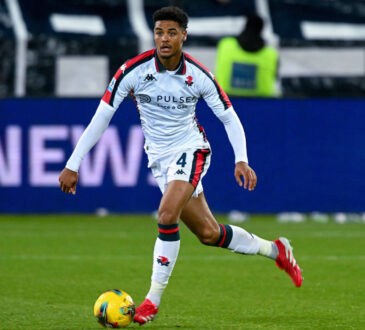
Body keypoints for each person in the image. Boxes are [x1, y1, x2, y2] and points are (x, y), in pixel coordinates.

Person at [59, 6, 302, 326]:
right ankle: (277, 250)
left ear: (183, 36)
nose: (164, 38)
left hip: (192, 150)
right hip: (159, 160)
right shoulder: (132, 71)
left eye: (172, 32)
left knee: (166, 214)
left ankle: (151, 301)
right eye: (159, 32)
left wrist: (241, 159)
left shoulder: (198, 75)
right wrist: (73, 163)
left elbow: (229, 117)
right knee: (208, 233)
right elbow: (101, 118)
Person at [215, 14, 279, 97]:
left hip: (226, 101)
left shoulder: (225, 45)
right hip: (262, 103)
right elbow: (275, 77)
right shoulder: (271, 54)